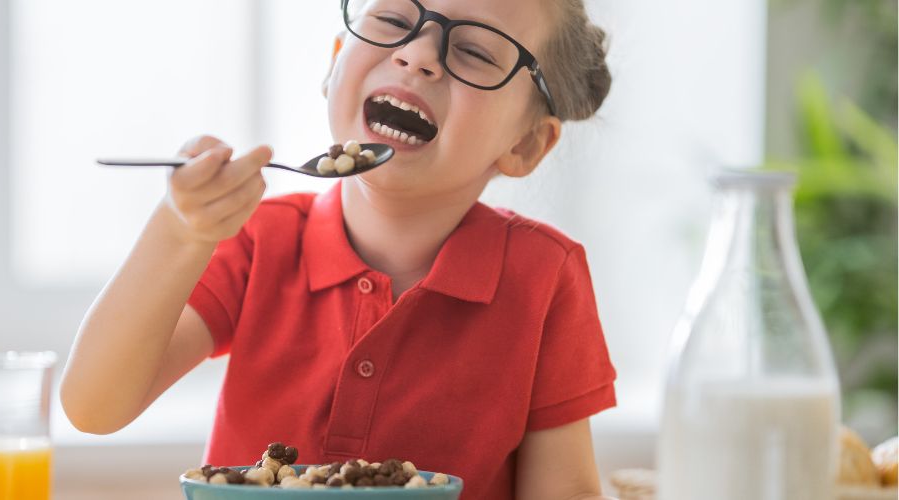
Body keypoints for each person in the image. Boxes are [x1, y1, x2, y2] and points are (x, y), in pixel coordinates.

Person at [62, 0, 617, 498]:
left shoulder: (544, 277)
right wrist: (180, 232)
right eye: (395, 20)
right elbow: (94, 406)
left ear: (524, 143)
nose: (418, 55)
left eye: (473, 52)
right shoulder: (259, 241)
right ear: (334, 67)